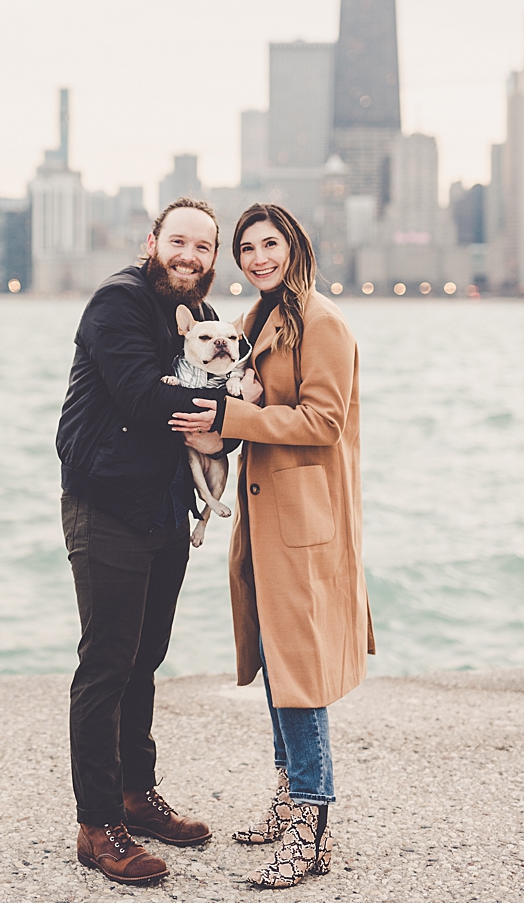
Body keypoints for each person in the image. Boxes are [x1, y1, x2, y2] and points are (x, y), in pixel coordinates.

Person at [170, 202, 375, 889]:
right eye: (247, 248)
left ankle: (311, 826)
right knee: (273, 659)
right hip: (263, 516)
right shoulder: (256, 320)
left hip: (305, 518)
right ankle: (288, 795)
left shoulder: (323, 321)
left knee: (301, 671)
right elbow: (242, 401)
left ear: (294, 246)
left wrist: (231, 416)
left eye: (270, 243)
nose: (258, 257)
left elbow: (323, 420)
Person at [55, 197, 237, 884]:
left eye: (203, 248)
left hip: (161, 504)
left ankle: (137, 795)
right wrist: (237, 413)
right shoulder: (120, 302)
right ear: (155, 240)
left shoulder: (185, 315)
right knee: (107, 662)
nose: (190, 256)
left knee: (144, 658)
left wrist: (229, 419)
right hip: (105, 501)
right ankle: (98, 824)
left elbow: (209, 398)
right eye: (180, 242)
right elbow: (143, 398)